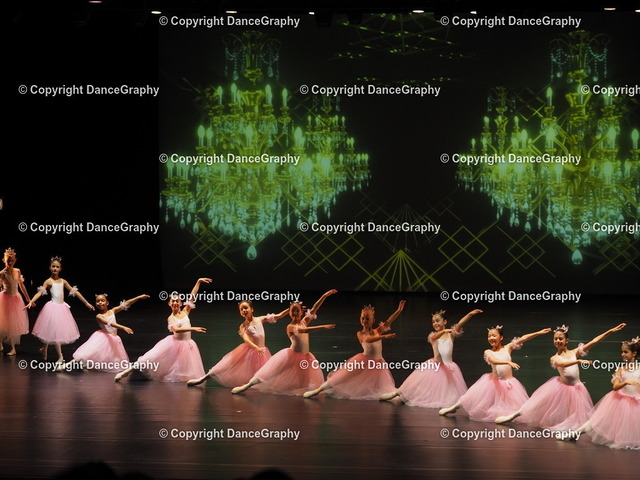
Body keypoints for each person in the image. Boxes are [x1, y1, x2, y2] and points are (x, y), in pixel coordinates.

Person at [496, 323, 627, 429]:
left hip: (576, 389)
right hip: (559, 387)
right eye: (555, 339)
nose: (558, 341)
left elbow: (594, 341)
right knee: (535, 404)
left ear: (567, 340)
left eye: (560, 338)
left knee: (575, 416)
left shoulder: (575, 352)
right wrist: (579, 361)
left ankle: (574, 432)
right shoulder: (554, 357)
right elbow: (562, 364)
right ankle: (513, 415)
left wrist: (611, 331)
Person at [231, 290, 337, 395]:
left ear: (302, 312)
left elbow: (314, 309)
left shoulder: (304, 322)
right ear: (289, 313)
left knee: (303, 376)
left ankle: (305, 391)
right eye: (292, 311)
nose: (295, 313)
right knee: (271, 372)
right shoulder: (290, 327)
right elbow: (304, 330)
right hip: (291, 355)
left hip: (305, 356)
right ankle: (247, 385)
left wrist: (324, 296)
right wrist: (322, 327)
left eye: (297, 311)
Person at [439, 324, 551, 421]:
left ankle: (510, 416)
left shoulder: (508, 348)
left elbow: (523, 338)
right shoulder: (487, 351)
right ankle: (454, 407)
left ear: (501, 337)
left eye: (494, 335)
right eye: (489, 336)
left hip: (508, 383)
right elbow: (493, 360)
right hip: (492, 382)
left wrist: (539, 332)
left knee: (512, 406)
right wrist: (507, 362)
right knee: (470, 396)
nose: (491, 338)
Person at [303, 300, 405, 400]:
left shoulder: (378, 331)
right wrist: (384, 336)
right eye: (362, 318)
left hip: (378, 364)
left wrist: (399, 310)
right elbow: (368, 340)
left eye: (367, 318)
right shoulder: (360, 333)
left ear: (373, 320)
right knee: (340, 378)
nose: (364, 321)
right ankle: (319, 389)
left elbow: (388, 321)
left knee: (380, 389)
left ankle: (387, 395)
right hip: (363, 361)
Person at [380, 308, 482, 407]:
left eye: (437, 321)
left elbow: (460, 324)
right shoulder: (433, 336)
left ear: (445, 321)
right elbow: (435, 337)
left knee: (446, 392)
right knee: (417, 386)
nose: (435, 323)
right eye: (433, 322)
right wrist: (445, 331)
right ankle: (398, 393)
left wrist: (470, 314)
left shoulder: (451, 335)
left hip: (449, 367)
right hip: (435, 367)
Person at [114, 278, 211, 382]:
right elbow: (176, 330)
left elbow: (192, 296)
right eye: (173, 301)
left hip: (187, 345)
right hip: (173, 344)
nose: (175, 302)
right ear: (169, 303)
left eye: (177, 301)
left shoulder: (185, 311)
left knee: (179, 367)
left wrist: (198, 282)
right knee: (148, 358)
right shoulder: (171, 318)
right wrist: (194, 328)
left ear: (181, 303)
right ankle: (126, 372)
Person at [187, 301, 289, 387]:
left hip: (261, 351)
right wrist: (256, 347)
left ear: (252, 309)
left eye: (246, 308)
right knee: (224, 366)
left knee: (267, 372)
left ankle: (249, 386)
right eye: (241, 309)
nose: (244, 310)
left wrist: (290, 309)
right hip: (248, 351)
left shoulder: (260, 319)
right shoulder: (243, 326)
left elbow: (278, 316)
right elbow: (246, 340)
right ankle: (203, 378)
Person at [570, 336, 640, 450]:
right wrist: (626, 382)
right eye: (622, 352)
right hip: (620, 401)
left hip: (635, 403)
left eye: (625, 352)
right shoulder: (621, 369)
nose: (622, 354)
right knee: (597, 420)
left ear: (634, 353)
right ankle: (575, 433)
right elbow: (615, 387)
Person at [27, 256, 94, 362]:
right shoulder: (48, 281)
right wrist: (31, 301)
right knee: (54, 331)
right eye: (53, 266)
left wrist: (86, 303)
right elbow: (40, 293)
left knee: (52, 330)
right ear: (50, 267)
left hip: (62, 308)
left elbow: (75, 292)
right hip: (52, 308)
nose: (55, 268)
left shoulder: (63, 281)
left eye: (57, 267)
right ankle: (60, 356)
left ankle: (44, 349)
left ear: (60, 269)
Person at [69, 293, 149, 372]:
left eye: (102, 300)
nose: (100, 302)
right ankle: (69, 364)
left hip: (113, 338)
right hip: (103, 338)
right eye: (98, 301)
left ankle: (88, 365)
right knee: (88, 353)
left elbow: (126, 303)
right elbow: (109, 323)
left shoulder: (112, 311)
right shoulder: (99, 316)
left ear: (107, 303)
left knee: (109, 357)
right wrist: (123, 327)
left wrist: (139, 297)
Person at [0, 248, 31, 355]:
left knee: (12, 324)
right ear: (4, 260)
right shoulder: (2, 273)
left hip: (16, 299)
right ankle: (1, 343)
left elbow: (21, 285)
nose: (10, 262)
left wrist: (28, 298)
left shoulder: (17, 271)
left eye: (12, 260)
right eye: (8, 260)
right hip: (5, 299)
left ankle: (13, 348)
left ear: (15, 260)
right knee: (3, 323)